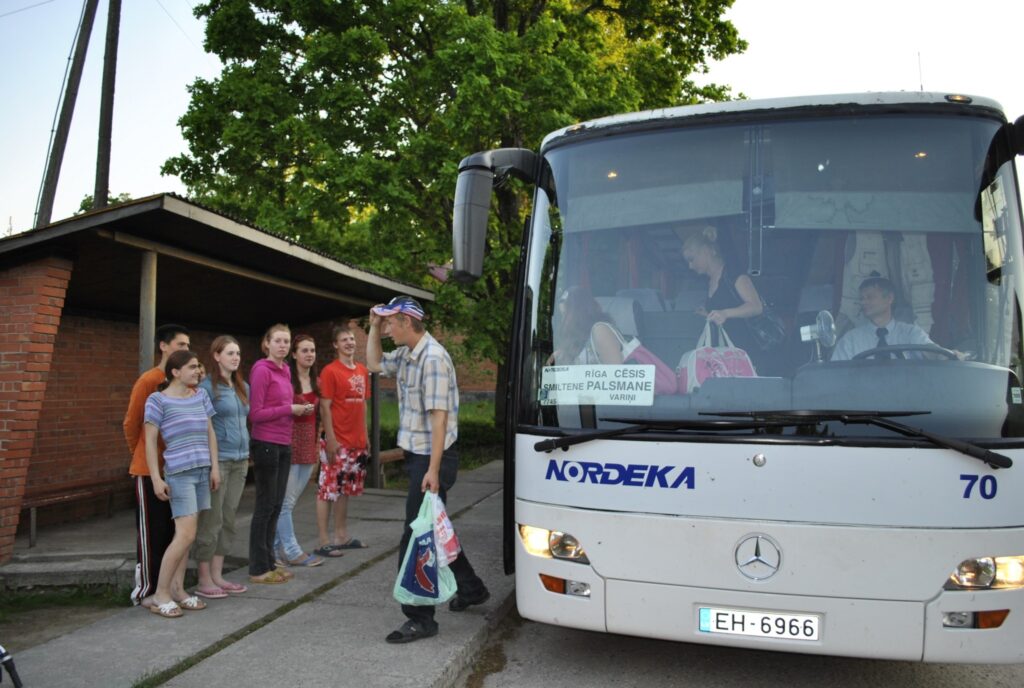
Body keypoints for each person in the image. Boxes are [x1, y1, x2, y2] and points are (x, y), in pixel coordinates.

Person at [367, 295, 490, 644]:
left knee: (415, 538)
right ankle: (471, 588)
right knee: (434, 531)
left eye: (390, 322)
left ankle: (421, 618)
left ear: (407, 322)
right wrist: (374, 326)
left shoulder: (433, 358)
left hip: (433, 458)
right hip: (419, 457)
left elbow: (440, 419)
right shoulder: (408, 353)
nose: (388, 328)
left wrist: (433, 470)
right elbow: (374, 363)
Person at [143, 350, 221, 618]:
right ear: (175, 372)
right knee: (185, 534)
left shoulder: (200, 395)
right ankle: (160, 594)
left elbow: (210, 431)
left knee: (187, 536)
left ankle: (178, 590)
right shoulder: (157, 400)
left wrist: (215, 467)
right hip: (180, 474)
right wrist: (156, 478)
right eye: (192, 367)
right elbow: (150, 443)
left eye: (198, 367)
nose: (198, 371)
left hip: (201, 472)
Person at [124, 323, 190, 607]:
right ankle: (147, 592)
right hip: (149, 471)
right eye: (180, 345)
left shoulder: (187, 381)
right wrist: (142, 456)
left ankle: (172, 587)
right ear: (163, 346)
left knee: (174, 532)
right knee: (153, 533)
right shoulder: (149, 379)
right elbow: (131, 423)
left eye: (188, 346)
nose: (185, 350)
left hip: (178, 469)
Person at [248, 323, 313, 584]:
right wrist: (290, 409)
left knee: (276, 505)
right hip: (265, 443)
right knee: (265, 506)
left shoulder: (286, 369)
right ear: (267, 343)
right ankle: (257, 568)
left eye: (286, 341)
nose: (283, 345)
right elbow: (256, 414)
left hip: (284, 443)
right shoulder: (261, 370)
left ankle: (270, 561)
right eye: (278, 341)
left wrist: (294, 408)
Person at [193, 336, 251, 598]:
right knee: (212, 520)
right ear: (216, 356)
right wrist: (213, 466)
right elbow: (204, 430)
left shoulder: (243, 387)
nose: (235, 357)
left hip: (241, 461)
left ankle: (218, 574)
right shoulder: (206, 388)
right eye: (230, 353)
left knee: (229, 520)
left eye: (237, 353)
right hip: (220, 463)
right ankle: (204, 578)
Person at [315, 324, 371, 556]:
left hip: (356, 442)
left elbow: (363, 403)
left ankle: (341, 535)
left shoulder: (361, 370)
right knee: (327, 490)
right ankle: (324, 540)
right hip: (337, 441)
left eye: (351, 339)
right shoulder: (330, 371)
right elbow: (325, 408)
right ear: (336, 345)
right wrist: (330, 439)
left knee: (345, 490)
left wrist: (366, 435)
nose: (349, 342)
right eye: (344, 340)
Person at [273, 334, 325, 568]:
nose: (309, 354)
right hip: (289, 442)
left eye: (312, 350)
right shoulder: (286, 379)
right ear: (293, 354)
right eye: (304, 350)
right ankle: (293, 551)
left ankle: (273, 549)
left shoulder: (317, 382)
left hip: (308, 444)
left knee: (289, 502)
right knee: (285, 502)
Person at [682, 225, 764, 353]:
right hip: (729, 352)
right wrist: (709, 314)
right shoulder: (709, 283)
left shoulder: (733, 274)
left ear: (705, 251)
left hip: (752, 351)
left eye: (691, 260)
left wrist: (725, 313)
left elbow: (756, 306)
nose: (690, 266)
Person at [831, 275, 935, 361]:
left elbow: (934, 353)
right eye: (862, 298)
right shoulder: (850, 340)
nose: (863, 302)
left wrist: (942, 354)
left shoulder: (911, 333)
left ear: (889, 298)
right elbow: (836, 374)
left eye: (870, 297)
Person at [547, 286, 625, 365]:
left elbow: (616, 372)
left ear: (579, 313)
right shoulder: (582, 335)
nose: (563, 320)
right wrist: (563, 355)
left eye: (565, 314)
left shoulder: (600, 331)